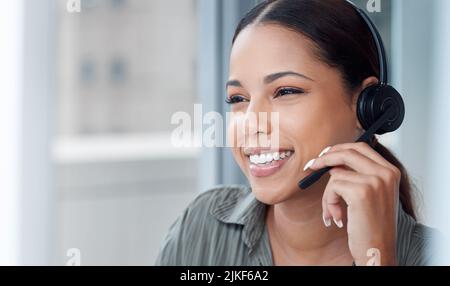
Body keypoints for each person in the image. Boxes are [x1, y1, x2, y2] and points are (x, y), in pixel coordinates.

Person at [155, 0, 438, 266]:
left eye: (286, 91)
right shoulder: (204, 225)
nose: (251, 123)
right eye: (238, 98)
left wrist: (376, 254)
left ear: (366, 107)